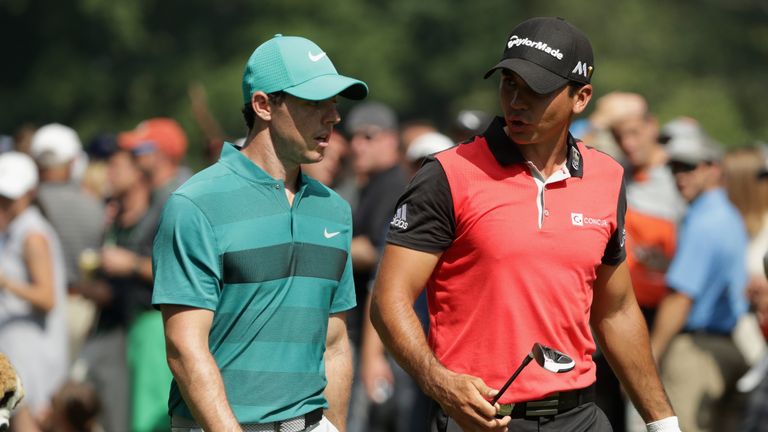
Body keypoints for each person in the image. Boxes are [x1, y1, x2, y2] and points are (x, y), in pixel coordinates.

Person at [370, 16, 680, 432]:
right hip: (482, 420)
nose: (517, 101)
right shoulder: (447, 174)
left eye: (536, 90)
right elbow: (389, 301)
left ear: (581, 97)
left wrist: (663, 422)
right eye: (509, 84)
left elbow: (617, 310)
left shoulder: (607, 177)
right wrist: (440, 384)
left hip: (581, 418)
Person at [151, 33, 367, 431]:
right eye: (315, 102)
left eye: (335, 103)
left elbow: (334, 342)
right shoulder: (196, 203)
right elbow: (184, 346)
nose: (333, 117)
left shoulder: (334, 210)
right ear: (264, 105)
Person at [590, 93, 686, 431]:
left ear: (652, 125)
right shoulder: (619, 174)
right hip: (619, 306)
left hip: (668, 314)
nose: (627, 144)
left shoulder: (679, 174)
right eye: (618, 136)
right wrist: (599, 121)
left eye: (634, 132)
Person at [649, 118, 749, 432]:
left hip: (695, 354)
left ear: (713, 167)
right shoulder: (727, 214)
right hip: (729, 348)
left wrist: (648, 361)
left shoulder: (703, 221)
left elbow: (681, 297)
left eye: (689, 167)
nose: (680, 176)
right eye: (674, 168)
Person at [0, 152, 68, 432]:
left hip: (32, 352)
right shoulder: (14, 229)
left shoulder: (32, 234)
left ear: (29, 193)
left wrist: (5, 282)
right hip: (15, 347)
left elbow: (47, 298)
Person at [29, 123, 106, 364]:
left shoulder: (24, 205)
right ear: (74, 162)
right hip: (81, 307)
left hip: (32, 306)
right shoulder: (94, 205)